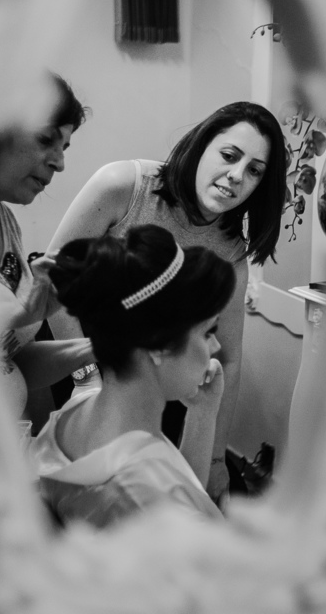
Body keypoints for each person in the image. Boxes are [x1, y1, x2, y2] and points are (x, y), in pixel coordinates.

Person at [46, 101, 287, 500]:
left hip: (158, 367)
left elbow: (228, 358)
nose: (236, 176)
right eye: (229, 156)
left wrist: (215, 458)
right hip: (77, 346)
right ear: (201, 145)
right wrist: (86, 379)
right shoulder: (123, 186)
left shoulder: (231, 254)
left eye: (254, 171)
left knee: (199, 487)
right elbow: (53, 281)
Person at [28, 225, 235, 528]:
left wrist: (203, 415)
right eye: (208, 332)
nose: (215, 347)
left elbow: (180, 482)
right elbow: (175, 501)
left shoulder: (72, 414)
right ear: (159, 343)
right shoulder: (155, 506)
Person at [0, 72, 95, 419]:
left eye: (63, 148)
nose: (59, 163)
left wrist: (100, 347)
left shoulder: (4, 222)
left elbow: (10, 361)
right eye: (45, 140)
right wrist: (20, 314)